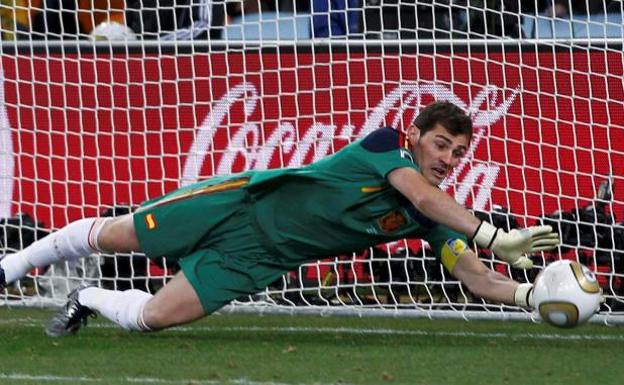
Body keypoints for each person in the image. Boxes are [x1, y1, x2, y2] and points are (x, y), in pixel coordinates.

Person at [0, 101, 558, 336]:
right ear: (414, 136)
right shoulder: (386, 147)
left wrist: (533, 297)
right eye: (441, 145)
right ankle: (12, 265)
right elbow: (424, 194)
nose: (448, 161)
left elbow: (476, 276)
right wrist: (490, 232)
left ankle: (86, 299)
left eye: (458, 154)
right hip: (240, 203)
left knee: (153, 318)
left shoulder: (433, 218)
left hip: (262, 257)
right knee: (120, 234)